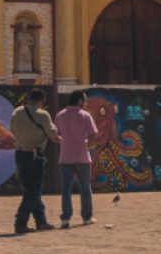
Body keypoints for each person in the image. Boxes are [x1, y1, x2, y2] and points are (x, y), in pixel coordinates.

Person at [9, 89, 58, 235]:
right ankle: (20, 222)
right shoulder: (43, 114)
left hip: (20, 154)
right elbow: (52, 134)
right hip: (34, 156)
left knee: (31, 189)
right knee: (33, 191)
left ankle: (41, 221)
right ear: (41, 101)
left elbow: (12, 129)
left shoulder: (16, 112)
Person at [55, 91, 98, 227]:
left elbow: (56, 135)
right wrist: (86, 144)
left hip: (65, 156)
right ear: (80, 101)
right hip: (82, 157)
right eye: (84, 101)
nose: (85, 104)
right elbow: (93, 134)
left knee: (66, 189)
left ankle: (65, 219)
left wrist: (65, 142)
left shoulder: (60, 115)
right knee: (85, 187)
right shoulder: (85, 115)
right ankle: (86, 217)